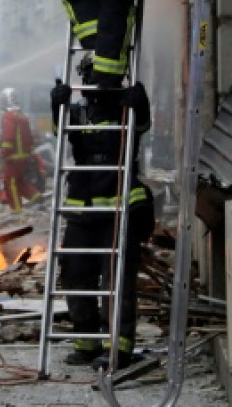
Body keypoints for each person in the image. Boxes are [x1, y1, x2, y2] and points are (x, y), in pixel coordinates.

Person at [50, 75, 155, 370]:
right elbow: (61, 132)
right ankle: (87, 342)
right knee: (75, 273)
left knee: (116, 279)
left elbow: (143, 126)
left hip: (119, 205)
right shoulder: (78, 112)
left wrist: (141, 104)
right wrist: (57, 104)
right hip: (83, 206)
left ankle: (118, 348)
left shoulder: (127, 108)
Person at [0, 92, 39, 212]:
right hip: (24, 156)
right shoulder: (22, 115)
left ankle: (16, 210)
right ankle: (35, 196)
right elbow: (30, 137)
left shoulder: (8, 116)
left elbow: (8, 137)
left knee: (9, 182)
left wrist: (5, 153)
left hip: (14, 156)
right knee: (19, 180)